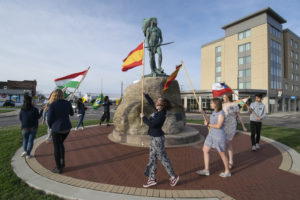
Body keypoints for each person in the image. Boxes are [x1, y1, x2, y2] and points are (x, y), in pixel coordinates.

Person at [140, 93, 179, 188]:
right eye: (157, 102)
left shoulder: (161, 114)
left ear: (162, 105)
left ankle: (173, 176)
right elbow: (152, 103)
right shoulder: (158, 110)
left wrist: (143, 118)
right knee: (152, 159)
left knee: (163, 158)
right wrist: (146, 96)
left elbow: (152, 124)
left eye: (158, 102)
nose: (156, 103)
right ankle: (152, 179)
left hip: (157, 139)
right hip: (153, 138)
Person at [197, 98, 231, 178]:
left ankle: (227, 171)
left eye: (211, 103)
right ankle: (206, 170)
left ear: (216, 104)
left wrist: (208, 125)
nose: (210, 104)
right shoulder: (214, 112)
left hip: (218, 136)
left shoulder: (221, 113)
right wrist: (204, 114)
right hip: (211, 135)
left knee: (222, 154)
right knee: (205, 150)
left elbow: (218, 126)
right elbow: (209, 121)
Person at [47, 89, 74, 173]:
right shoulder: (67, 103)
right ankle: (62, 161)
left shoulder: (52, 105)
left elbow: (49, 119)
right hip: (67, 128)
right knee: (61, 144)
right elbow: (72, 113)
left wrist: (51, 126)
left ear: (54, 95)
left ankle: (58, 167)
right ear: (62, 95)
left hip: (57, 129)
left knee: (56, 147)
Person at [222, 92, 247, 169]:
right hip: (223, 125)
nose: (223, 98)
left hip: (231, 125)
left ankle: (231, 161)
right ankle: (227, 159)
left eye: (224, 97)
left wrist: (243, 126)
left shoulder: (234, 105)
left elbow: (239, 116)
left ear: (228, 97)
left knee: (228, 142)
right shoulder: (223, 105)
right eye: (223, 97)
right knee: (224, 143)